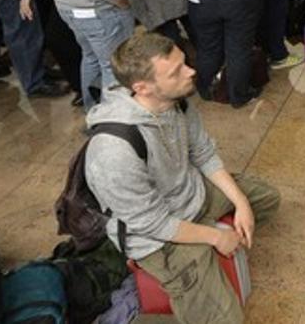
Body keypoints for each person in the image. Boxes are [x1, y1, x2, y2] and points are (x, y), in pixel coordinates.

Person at [84, 32, 280, 324]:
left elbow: (203, 153)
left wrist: (241, 203)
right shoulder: (113, 151)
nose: (191, 71)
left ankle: (205, 244)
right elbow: (153, 223)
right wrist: (217, 237)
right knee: (227, 321)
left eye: (184, 62)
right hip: (155, 236)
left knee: (266, 199)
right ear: (143, 88)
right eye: (176, 71)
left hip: (191, 194)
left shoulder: (176, 101)